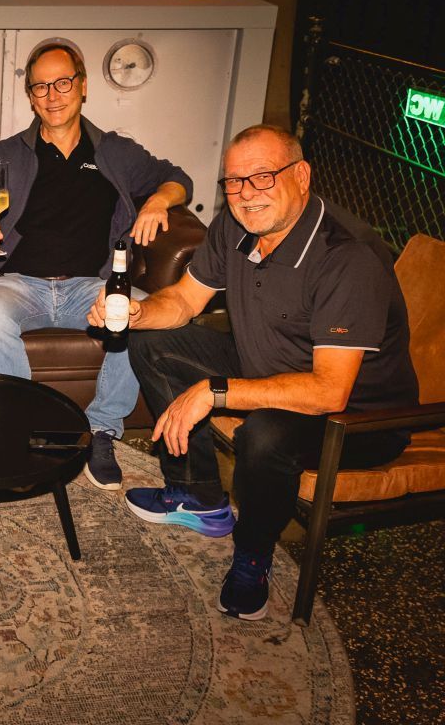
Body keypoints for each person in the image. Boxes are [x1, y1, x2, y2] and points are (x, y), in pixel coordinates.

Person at [89, 124, 418, 620]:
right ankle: (198, 494)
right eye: (234, 182)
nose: (246, 194)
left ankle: (253, 555)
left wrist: (214, 391)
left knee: (264, 434)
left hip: (357, 418)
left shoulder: (347, 256)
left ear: (301, 176)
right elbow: (184, 301)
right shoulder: (236, 226)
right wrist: (136, 313)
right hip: (268, 369)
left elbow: (329, 391)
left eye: (263, 177)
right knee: (153, 342)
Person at [0, 41, 192, 491]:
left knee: (143, 313)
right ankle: (24, 424)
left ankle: (101, 430)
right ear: (31, 96)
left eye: (62, 83)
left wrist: (158, 201)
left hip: (91, 284)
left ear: (82, 87)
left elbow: (177, 178)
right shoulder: (6, 153)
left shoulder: (115, 152)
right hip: (19, 283)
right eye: (40, 87)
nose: (52, 95)